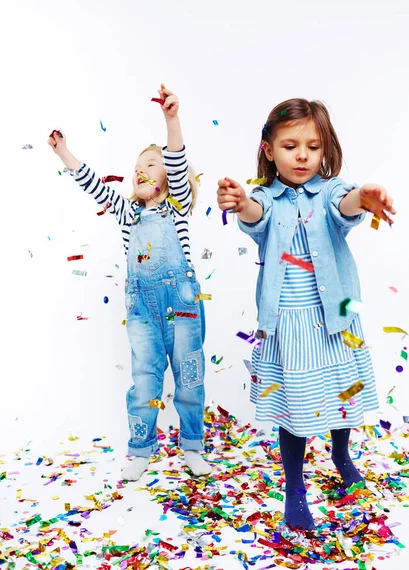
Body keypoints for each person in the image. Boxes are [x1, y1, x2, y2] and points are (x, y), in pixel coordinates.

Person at [217, 98, 395, 530]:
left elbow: (345, 205)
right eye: (290, 145)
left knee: (341, 395)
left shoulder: (332, 189)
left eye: (313, 147)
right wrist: (240, 202)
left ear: (324, 150)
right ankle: (294, 488)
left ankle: (340, 453)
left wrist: (364, 197)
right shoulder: (263, 197)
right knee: (296, 412)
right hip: (291, 323)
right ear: (268, 150)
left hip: (335, 318)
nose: (302, 156)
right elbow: (255, 217)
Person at [49, 84, 211, 481]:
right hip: (141, 310)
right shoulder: (127, 215)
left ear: (171, 179)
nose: (142, 169)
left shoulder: (178, 208)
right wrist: (65, 154)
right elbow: (95, 187)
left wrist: (171, 121)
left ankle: (192, 445)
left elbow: (176, 159)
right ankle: (140, 449)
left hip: (184, 303)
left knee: (190, 376)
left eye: (151, 164)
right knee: (144, 381)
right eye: (138, 165)